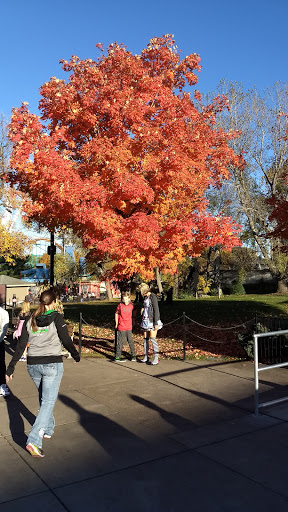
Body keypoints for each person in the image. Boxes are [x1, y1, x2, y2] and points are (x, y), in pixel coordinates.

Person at [5, 289, 80, 458]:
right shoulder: (57, 317)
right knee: (48, 400)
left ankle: (47, 428)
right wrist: (75, 355)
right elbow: (65, 339)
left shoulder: (31, 319)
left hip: (34, 366)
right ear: (53, 302)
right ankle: (34, 440)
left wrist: (11, 367)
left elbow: (21, 345)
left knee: (44, 397)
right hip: (51, 364)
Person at [139, 283, 161, 365]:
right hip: (145, 320)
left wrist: (156, 323)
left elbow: (156, 310)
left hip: (152, 321)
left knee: (152, 338)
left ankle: (156, 358)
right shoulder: (145, 297)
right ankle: (146, 356)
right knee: (145, 339)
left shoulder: (153, 296)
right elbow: (144, 304)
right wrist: (142, 308)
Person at [115, 291, 136, 362]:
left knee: (130, 341)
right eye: (124, 299)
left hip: (129, 326)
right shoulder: (120, 306)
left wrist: (133, 322)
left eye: (127, 299)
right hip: (121, 326)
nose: (125, 301)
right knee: (120, 341)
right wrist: (117, 323)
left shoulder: (132, 305)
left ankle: (133, 355)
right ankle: (117, 356)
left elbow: (134, 314)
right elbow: (116, 313)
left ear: (129, 299)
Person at [0, 304, 10, 397]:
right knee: (1, 363)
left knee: (1, 363)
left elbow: (4, 329)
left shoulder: (3, 313)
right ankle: (2, 385)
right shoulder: (4, 313)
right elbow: (4, 329)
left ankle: (2, 385)